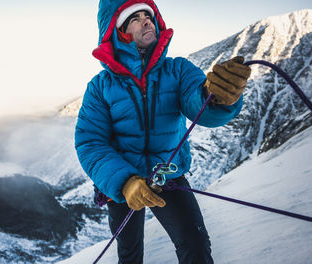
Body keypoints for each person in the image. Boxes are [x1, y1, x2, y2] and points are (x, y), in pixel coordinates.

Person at [75, 0, 251, 263]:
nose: (147, 20)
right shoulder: (100, 87)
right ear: (118, 33)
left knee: (195, 244)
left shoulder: (178, 71)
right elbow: (91, 142)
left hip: (166, 173)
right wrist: (125, 183)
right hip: (125, 183)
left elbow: (198, 103)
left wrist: (219, 99)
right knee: (130, 254)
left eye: (149, 15)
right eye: (135, 18)